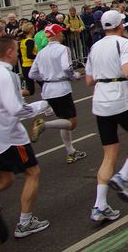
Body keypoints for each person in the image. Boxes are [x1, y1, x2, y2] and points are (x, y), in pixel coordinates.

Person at [85, 11, 128, 222]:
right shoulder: (123, 43)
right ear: (120, 25)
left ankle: (99, 205)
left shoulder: (95, 47)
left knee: (109, 154)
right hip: (120, 98)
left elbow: (89, 80)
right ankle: (123, 175)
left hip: (101, 101)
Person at [0, 35, 51, 238]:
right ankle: (25, 223)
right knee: (32, 172)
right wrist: (41, 105)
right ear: (10, 52)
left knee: (5, 179)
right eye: (17, 51)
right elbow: (16, 109)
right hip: (9, 136)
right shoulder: (7, 75)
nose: (18, 55)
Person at [27, 24, 86, 164]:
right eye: (61, 32)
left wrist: (47, 77)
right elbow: (66, 67)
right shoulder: (63, 49)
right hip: (61, 88)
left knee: (63, 121)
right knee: (71, 123)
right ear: (57, 34)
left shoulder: (41, 52)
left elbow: (32, 74)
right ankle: (44, 125)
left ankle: (70, 151)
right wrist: (75, 76)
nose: (63, 35)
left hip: (48, 88)